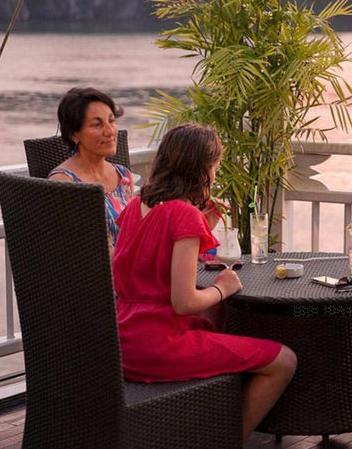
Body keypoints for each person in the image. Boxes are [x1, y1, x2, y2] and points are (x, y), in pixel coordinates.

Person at [111, 122, 297, 441]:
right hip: (158, 347)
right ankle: (227, 441)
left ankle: (200, 427)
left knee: (214, 324)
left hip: (121, 343)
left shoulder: (133, 208)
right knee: (284, 360)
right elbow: (183, 302)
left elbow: (150, 271)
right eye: (215, 167)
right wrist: (222, 288)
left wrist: (202, 225)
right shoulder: (183, 214)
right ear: (202, 170)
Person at [48, 87, 135, 255]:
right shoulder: (65, 183)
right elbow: (80, 251)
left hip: (132, 268)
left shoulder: (123, 175)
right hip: (100, 276)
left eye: (111, 121)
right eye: (97, 124)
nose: (110, 131)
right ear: (75, 134)